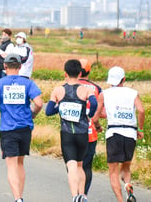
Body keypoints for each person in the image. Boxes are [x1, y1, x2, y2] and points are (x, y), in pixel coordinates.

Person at [0, 53, 43, 202]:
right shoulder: (28, 83)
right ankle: (21, 195)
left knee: (11, 164)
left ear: (5, 66)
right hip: (25, 126)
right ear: (20, 66)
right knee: (20, 162)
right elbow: (39, 103)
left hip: (7, 128)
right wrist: (33, 114)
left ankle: (18, 198)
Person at [46, 59, 98, 202]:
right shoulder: (86, 90)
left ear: (65, 73)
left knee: (71, 165)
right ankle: (82, 195)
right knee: (80, 165)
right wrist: (89, 114)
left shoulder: (58, 90)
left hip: (67, 133)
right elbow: (94, 103)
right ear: (80, 73)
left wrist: (60, 108)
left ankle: (75, 196)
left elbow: (48, 111)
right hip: (82, 132)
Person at [92, 66, 145, 202]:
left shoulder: (104, 94)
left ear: (110, 80)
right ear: (124, 79)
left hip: (113, 133)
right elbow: (141, 111)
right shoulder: (133, 93)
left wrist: (97, 127)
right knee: (126, 167)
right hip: (130, 133)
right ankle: (128, 186)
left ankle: (121, 200)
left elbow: (95, 117)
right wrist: (140, 129)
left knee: (113, 172)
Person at [78, 60, 103, 196]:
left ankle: (76, 193)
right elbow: (102, 111)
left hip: (72, 132)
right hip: (90, 132)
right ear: (89, 71)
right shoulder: (97, 89)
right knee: (86, 166)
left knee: (73, 165)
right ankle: (84, 195)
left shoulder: (68, 86)